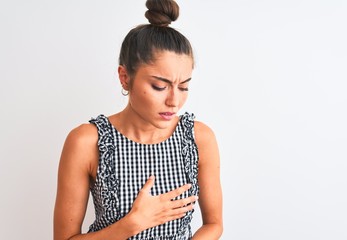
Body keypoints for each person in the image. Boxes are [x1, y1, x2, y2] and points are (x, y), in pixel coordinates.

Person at [53, 0, 222, 239]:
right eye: (159, 86)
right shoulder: (86, 141)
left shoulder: (199, 137)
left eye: (183, 87)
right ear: (125, 77)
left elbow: (214, 224)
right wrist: (132, 224)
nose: (174, 101)